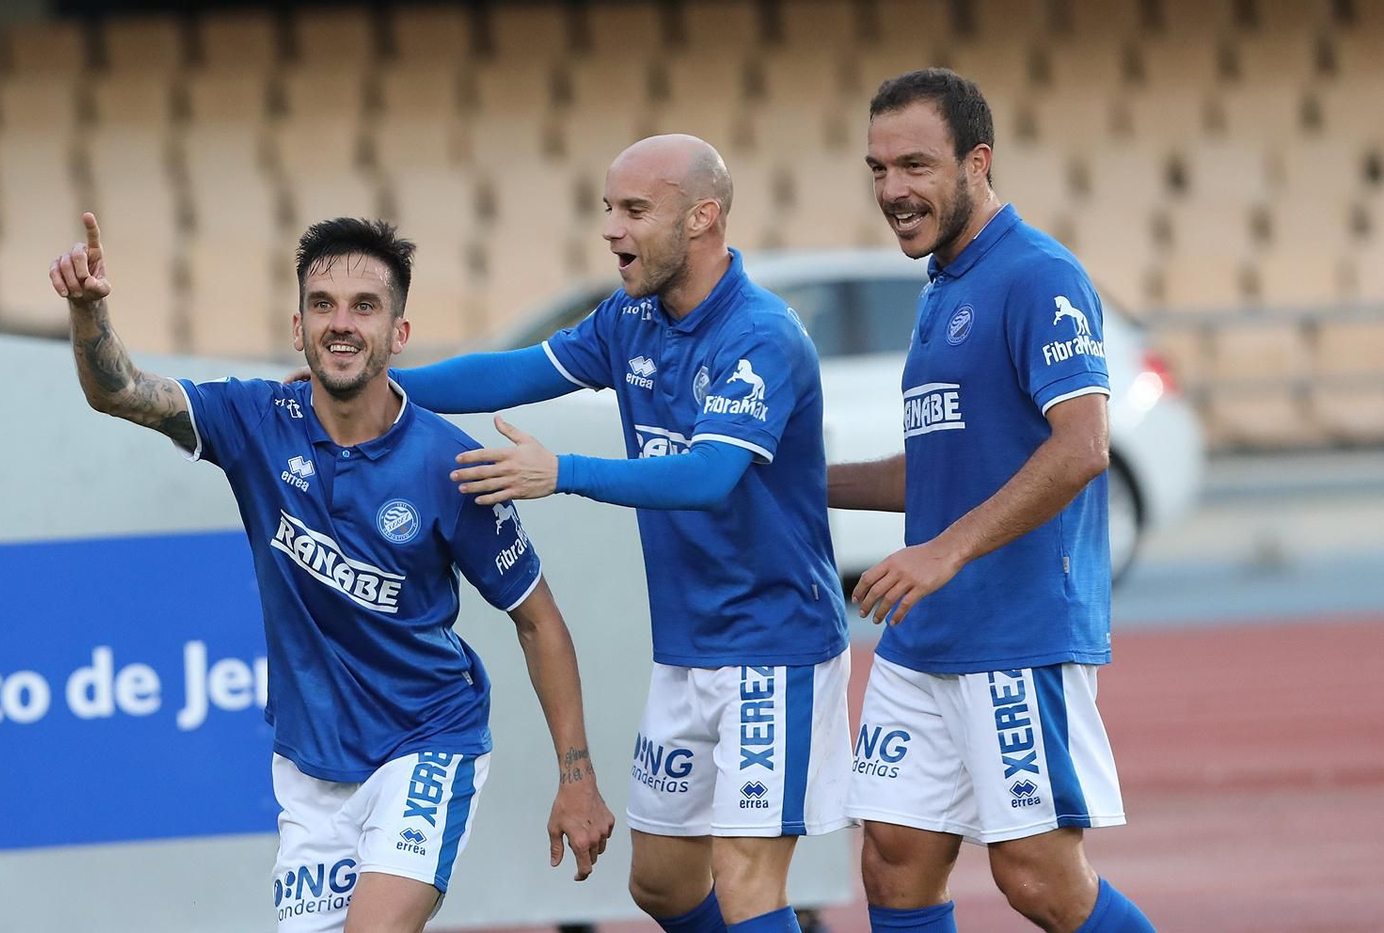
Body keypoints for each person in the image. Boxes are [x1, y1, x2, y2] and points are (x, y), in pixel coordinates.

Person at [295, 135, 854, 933]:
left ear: (702, 218)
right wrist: (371, 381)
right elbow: (514, 371)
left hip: (775, 644)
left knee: (745, 875)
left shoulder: (760, 335)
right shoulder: (630, 318)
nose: (611, 229)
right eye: (607, 210)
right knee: (661, 883)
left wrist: (561, 471)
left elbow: (705, 479)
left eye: (633, 210)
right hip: (690, 645)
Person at [48, 213, 613, 933]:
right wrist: (88, 309)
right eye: (323, 305)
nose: (341, 324)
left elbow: (539, 621)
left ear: (399, 335)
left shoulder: (449, 463)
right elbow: (120, 389)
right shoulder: (255, 420)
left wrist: (577, 777)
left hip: (427, 742)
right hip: (312, 770)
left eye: (365, 307)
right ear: (298, 326)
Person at [833, 69, 1156, 933]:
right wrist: (799, 484)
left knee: (1039, 878)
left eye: (914, 164)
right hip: (924, 635)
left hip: (1015, 632)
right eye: (877, 169)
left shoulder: (1037, 275)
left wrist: (943, 551)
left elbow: (1083, 448)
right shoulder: (942, 283)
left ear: (977, 161)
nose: (893, 189)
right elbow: (935, 473)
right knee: (895, 859)